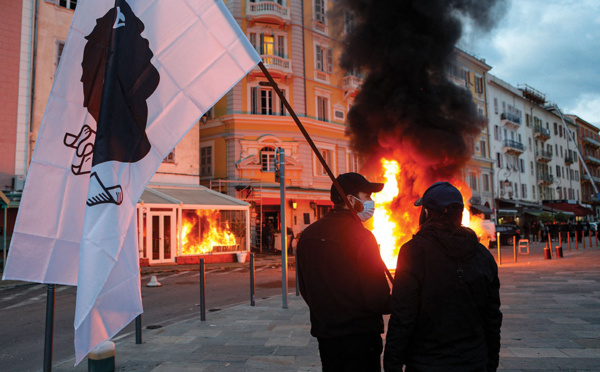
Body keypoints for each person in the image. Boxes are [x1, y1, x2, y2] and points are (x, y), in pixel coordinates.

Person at [384, 181, 502, 372]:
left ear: (427, 214)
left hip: (426, 363)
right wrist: (490, 363)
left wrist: (392, 365)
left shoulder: (413, 252)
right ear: (460, 214)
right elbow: (492, 317)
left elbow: (403, 316)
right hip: (473, 362)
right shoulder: (483, 255)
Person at [297, 172, 391, 372]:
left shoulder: (308, 235)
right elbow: (378, 298)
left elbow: (305, 288)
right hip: (361, 338)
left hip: (327, 337)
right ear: (350, 200)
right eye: (367, 197)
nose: (372, 202)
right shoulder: (362, 237)